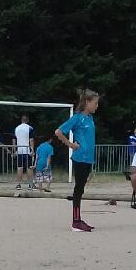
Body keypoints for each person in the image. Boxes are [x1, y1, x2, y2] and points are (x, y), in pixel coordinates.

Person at [54, 89, 100, 232]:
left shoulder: (90, 118)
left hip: (88, 159)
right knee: (78, 189)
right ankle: (76, 221)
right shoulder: (77, 118)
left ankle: (78, 219)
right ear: (87, 102)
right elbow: (58, 131)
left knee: (81, 189)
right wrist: (70, 144)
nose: (97, 106)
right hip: (80, 158)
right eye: (95, 103)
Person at [13, 114, 35, 192]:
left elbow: (14, 140)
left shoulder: (16, 128)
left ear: (21, 120)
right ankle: (30, 184)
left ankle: (18, 184)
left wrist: (14, 150)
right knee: (29, 168)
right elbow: (31, 140)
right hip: (27, 150)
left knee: (20, 167)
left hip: (19, 151)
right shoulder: (30, 128)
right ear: (27, 120)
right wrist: (32, 150)